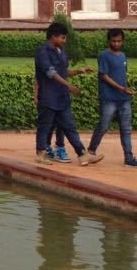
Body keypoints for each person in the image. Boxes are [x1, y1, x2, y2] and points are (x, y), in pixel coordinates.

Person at [34, 21, 100, 166]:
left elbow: (63, 72)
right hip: (47, 97)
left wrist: (79, 71)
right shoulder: (42, 52)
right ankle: (41, 154)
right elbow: (50, 73)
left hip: (61, 98)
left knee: (70, 127)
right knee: (45, 126)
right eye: (63, 37)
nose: (65, 40)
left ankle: (82, 154)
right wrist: (68, 85)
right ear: (53, 36)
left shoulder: (61, 51)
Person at [86, 29, 136, 167]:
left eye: (119, 41)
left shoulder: (123, 56)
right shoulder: (104, 55)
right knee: (103, 126)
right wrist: (121, 88)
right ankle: (91, 151)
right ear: (109, 41)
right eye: (114, 41)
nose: (117, 43)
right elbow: (103, 75)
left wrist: (126, 89)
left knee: (126, 129)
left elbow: (122, 75)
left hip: (124, 98)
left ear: (123, 41)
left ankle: (129, 158)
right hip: (109, 98)